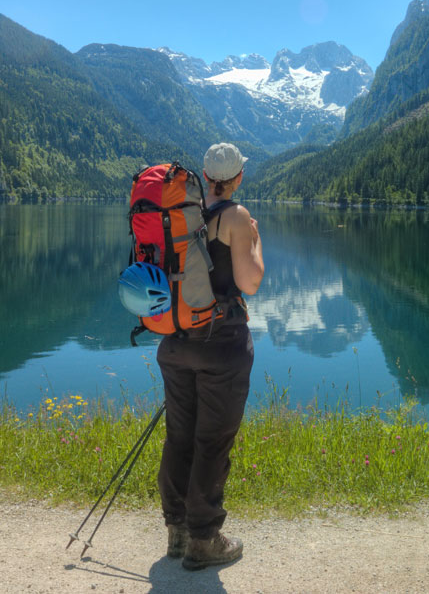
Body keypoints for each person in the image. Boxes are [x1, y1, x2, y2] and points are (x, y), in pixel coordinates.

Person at [156, 142, 264, 571]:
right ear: (238, 178)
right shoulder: (236, 217)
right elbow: (249, 282)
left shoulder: (184, 212)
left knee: (179, 438)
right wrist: (255, 241)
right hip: (222, 346)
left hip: (176, 344)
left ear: (204, 175)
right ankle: (205, 540)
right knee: (212, 442)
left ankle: (177, 532)